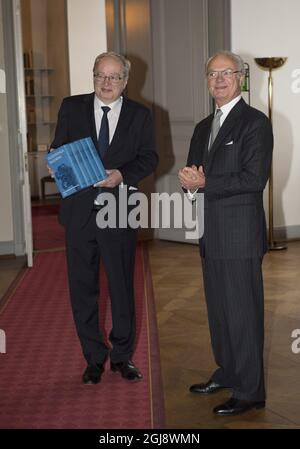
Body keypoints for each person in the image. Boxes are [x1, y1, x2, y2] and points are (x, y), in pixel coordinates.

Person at [51, 51, 158, 384]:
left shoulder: (141, 115)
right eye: (100, 75)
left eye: (114, 77)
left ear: (126, 80)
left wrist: (121, 175)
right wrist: (58, 165)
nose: (106, 83)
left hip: (119, 211)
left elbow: (150, 158)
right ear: (93, 76)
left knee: (122, 286)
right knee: (82, 287)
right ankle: (94, 358)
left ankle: (122, 357)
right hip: (79, 212)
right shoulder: (71, 107)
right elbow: (57, 150)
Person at [178, 51, 273, 415]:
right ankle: (228, 371)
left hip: (239, 236)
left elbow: (253, 179)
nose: (218, 79)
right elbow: (195, 175)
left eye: (226, 73)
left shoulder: (255, 123)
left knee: (243, 315)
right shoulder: (204, 126)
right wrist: (188, 184)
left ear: (241, 77)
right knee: (219, 313)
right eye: (212, 74)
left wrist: (205, 181)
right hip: (210, 234)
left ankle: (250, 391)